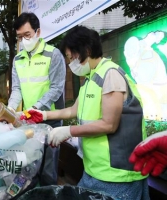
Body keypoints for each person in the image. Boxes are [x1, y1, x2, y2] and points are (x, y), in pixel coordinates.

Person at [22, 26, 150, 199]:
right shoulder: (90, 79)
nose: (70, 63)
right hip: (94, 170)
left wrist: (68, 131)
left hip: (118, 175)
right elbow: (73, 110)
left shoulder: (110, 74)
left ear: (87, 50)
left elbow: (109, 124)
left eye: (71, 57)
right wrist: (44, 115)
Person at [7, 12, 66, 186]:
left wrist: (37, 107)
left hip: (51, 120)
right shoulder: (18, 59)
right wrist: (10, 109)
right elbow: (17, 89)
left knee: (48, 170)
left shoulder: (53, 55)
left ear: (38, 32)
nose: (24, 40)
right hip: (28, 121)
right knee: (30, 167)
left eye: (27, 35)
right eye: (19, 37)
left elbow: (56, 88)